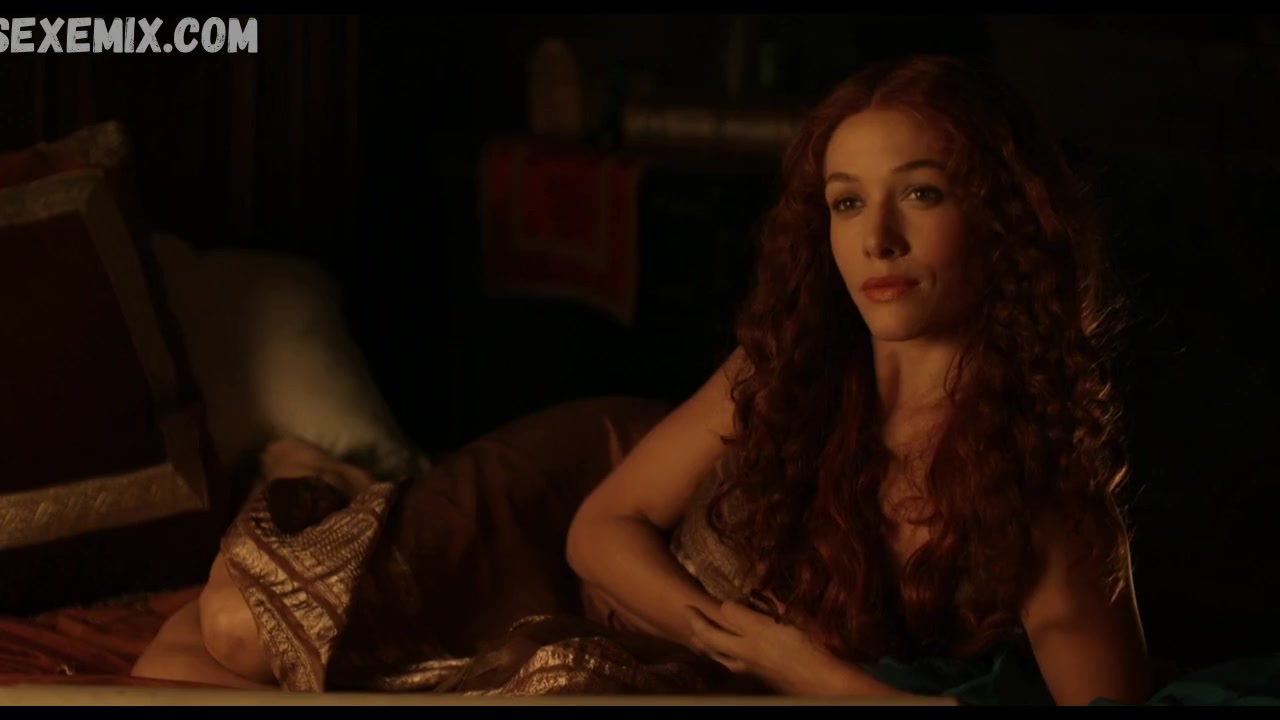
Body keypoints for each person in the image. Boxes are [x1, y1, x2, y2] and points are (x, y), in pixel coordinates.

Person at [132, 54, 1151, 705]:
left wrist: (809, 677)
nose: (874, 239)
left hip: (650, 652)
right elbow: (599, 529)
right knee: (232, 633)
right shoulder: (787, 368)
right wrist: (758, 648)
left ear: (1003, 221)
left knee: (182, 677)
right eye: (846, 203)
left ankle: (370, 510)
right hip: (585, 491)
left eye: (919, 195)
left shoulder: (1045, 489)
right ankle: (326, 489)